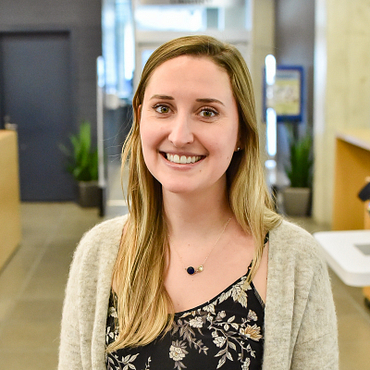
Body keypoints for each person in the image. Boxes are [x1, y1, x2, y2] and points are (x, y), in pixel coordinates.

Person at [58, 35, 338, 370]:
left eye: (207, 112)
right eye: (163, 108)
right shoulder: (99, 253)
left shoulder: (295, 259)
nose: (179, 135)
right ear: (139, 117)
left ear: (241, 133)